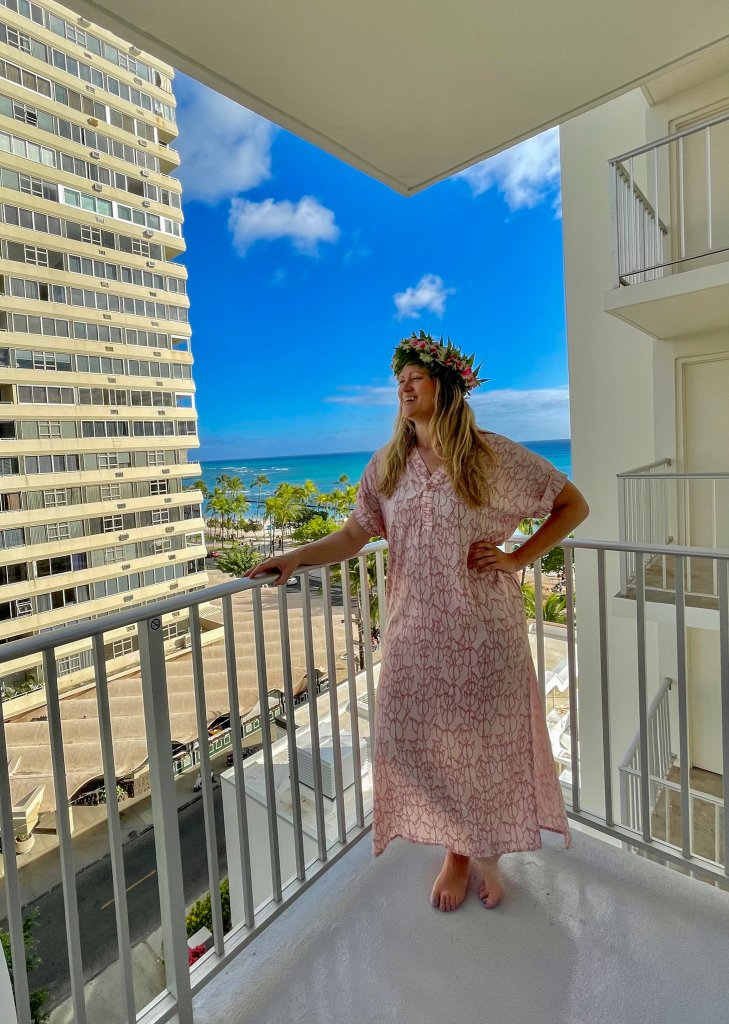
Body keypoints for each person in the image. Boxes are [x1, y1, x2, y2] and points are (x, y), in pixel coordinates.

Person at [247, 331, 589, 913]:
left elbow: (572, 505)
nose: (403, 385)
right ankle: (461, 846)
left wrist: (516, 558)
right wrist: (299, 555)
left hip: (485, 632)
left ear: (446, 385)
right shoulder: (386, 466)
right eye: (398, 379)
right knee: (416, 744)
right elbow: (357, 534)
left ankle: (472, 850)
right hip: (414, 634)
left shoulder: (491, 456)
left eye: (415, 376)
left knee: (484, 744)